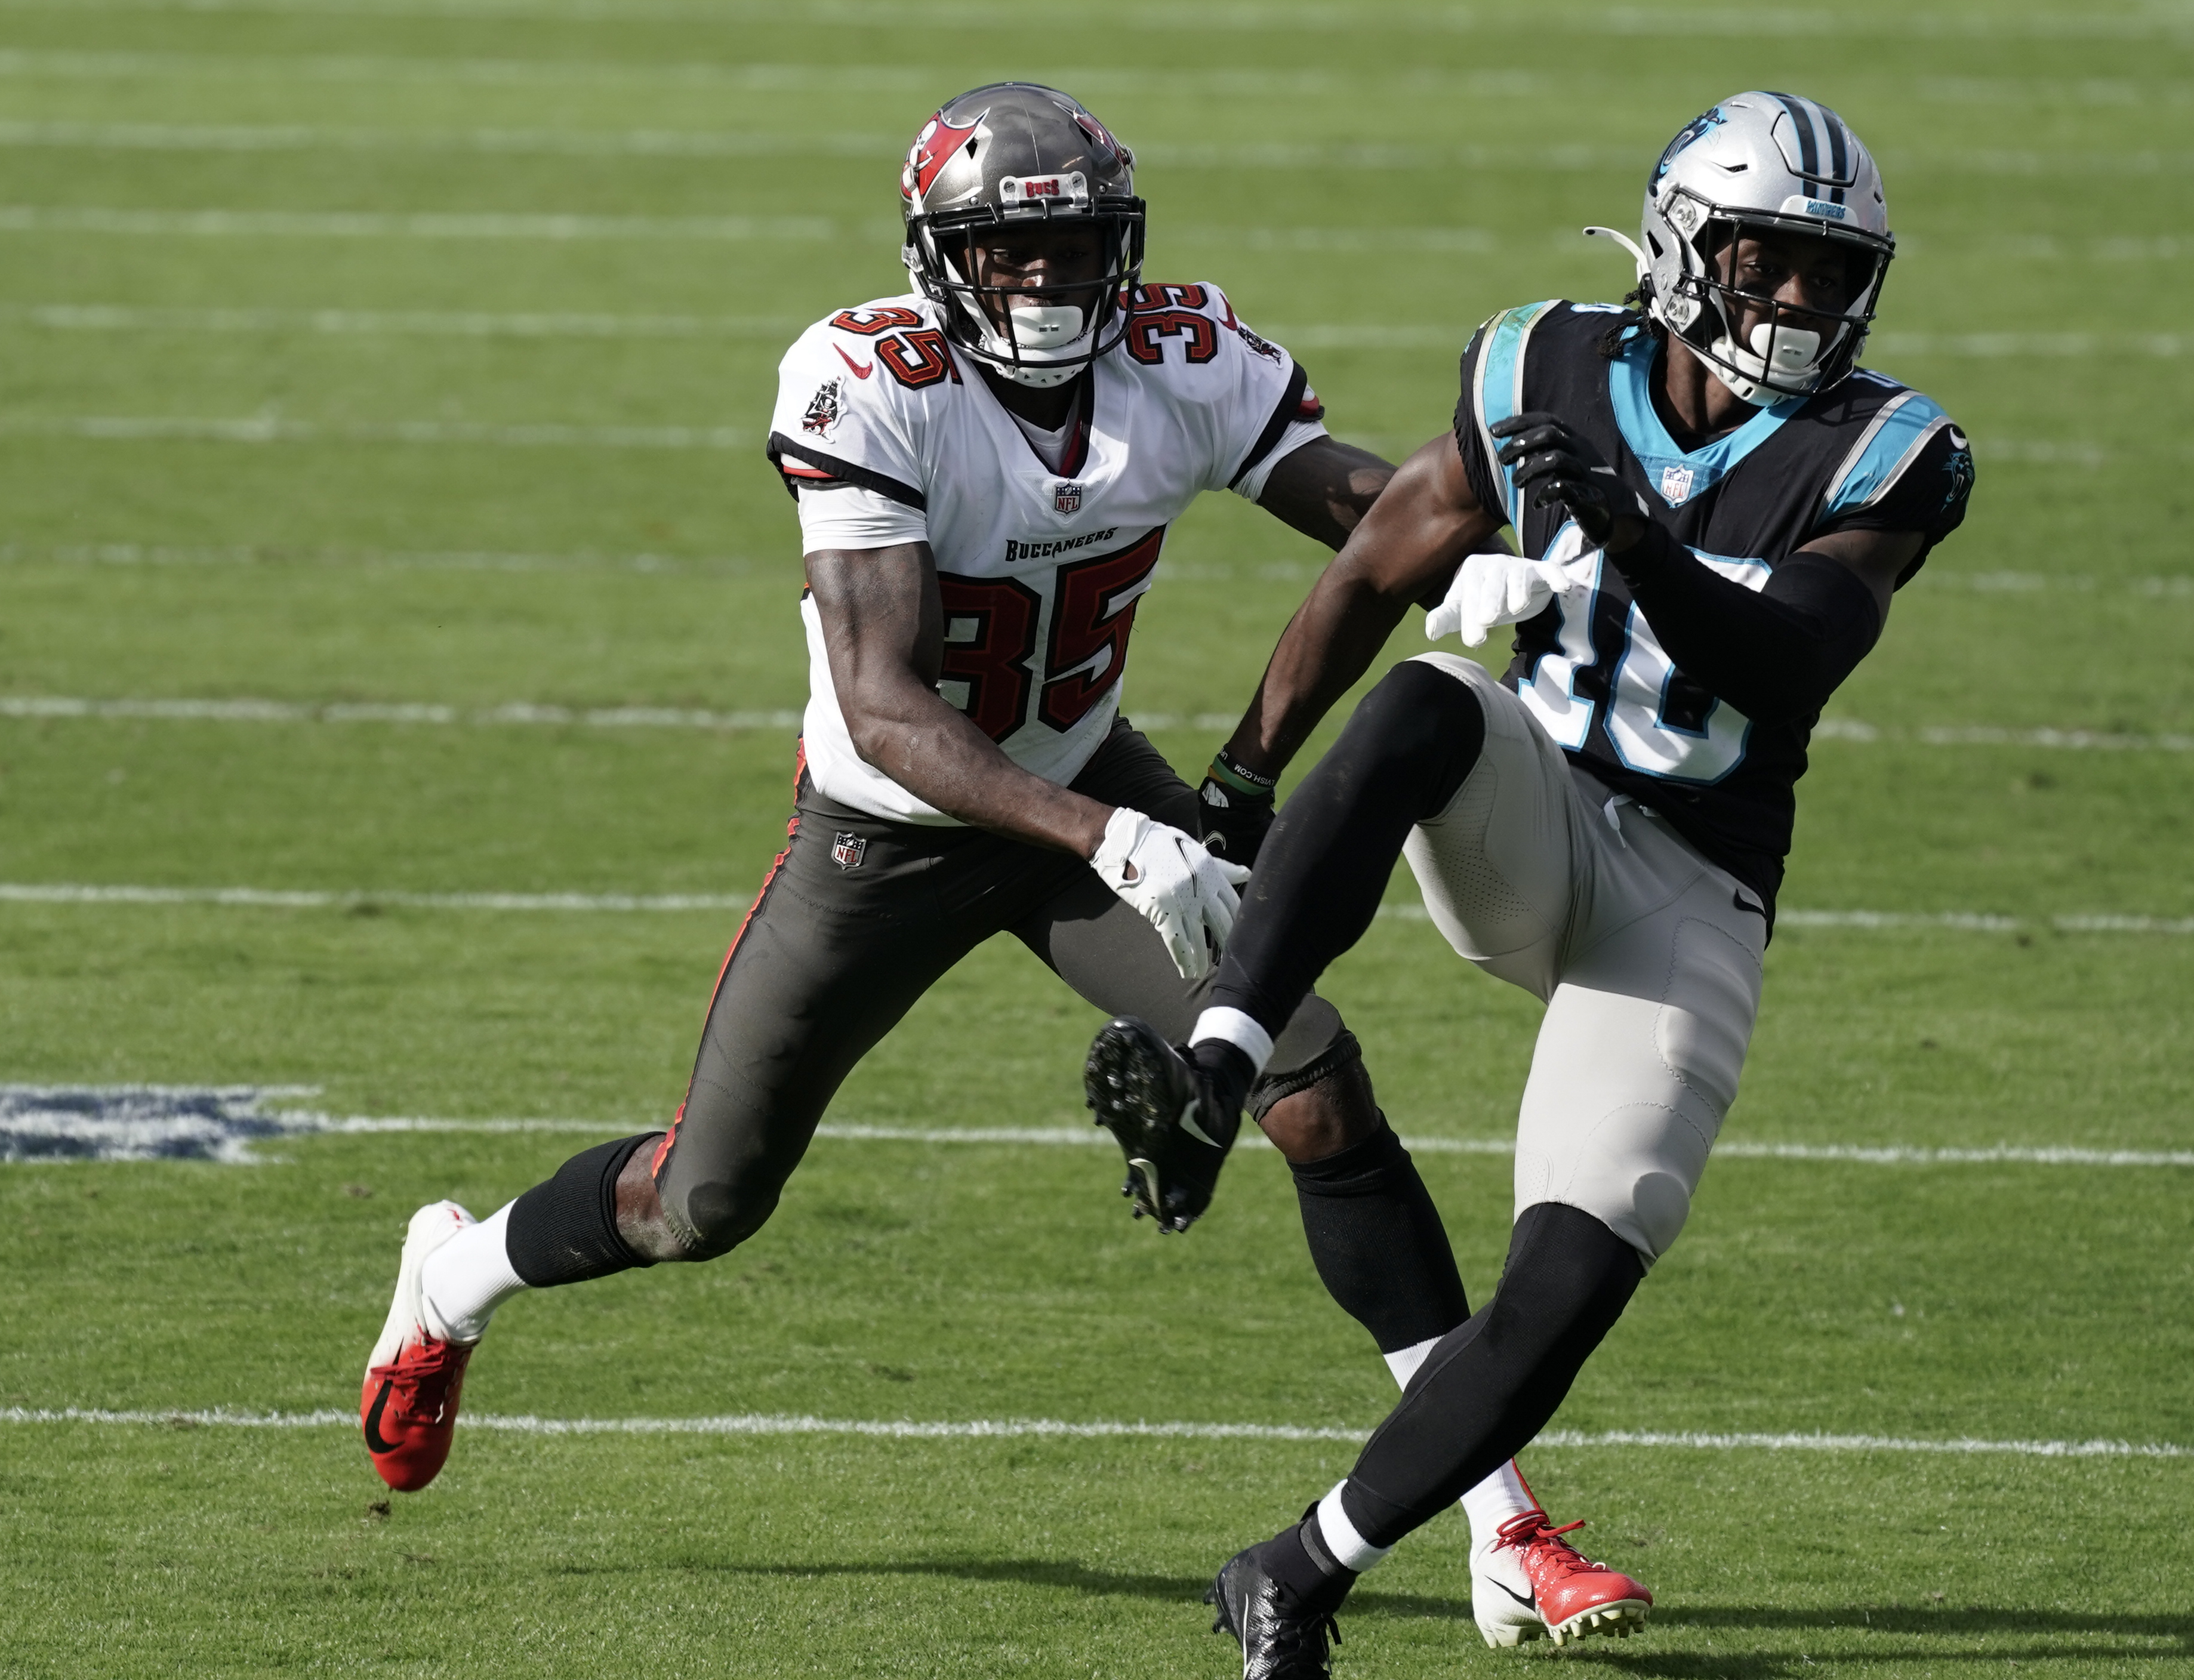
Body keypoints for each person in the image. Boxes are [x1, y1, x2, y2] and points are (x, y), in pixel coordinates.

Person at [356, 81, 1643, 1643]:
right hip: (889, 835)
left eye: (1079, 251)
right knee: (704, 1200)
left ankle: (1500, 1529)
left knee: (1312, 1086)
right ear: (937, 258)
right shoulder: (865, 381)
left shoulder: (1175, 353)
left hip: (1083, 787)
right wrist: (1114, 833)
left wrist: (1465, 548)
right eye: (1009, 257)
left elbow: (1356, 505)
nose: (1050, 287)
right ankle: (453, 1279)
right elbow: (889, 709)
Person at [1081, 91, 1976, 1673]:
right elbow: (1373, 569)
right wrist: (1237, 782)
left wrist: (1637, 546)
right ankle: (1219, 1065)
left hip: (1687, 881)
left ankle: (1301, 1566)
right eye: (1770, 262)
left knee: (1573, 1271)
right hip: (1530, 811)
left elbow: (1791, 659)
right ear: (1690, 248)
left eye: (1831, 274)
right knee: (1429, 702)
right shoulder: (1546, 363)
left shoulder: (1887, 454)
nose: (1800, 302)